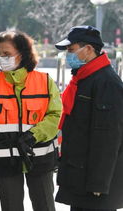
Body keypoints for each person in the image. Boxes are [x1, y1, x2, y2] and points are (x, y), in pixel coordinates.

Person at [0, 30, 62, 211]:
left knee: (44, 205)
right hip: (6, 160)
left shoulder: (45, 81)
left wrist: (33, 135)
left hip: (39, 156)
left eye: (6, 54)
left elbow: (55, 116)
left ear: (22, 54)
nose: (1, 58)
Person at [54, 25, 123, 211]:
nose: (68, 55)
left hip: (95, 184)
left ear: (89, 49)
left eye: (71, 49)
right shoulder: (84, 78)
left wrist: (99, 184)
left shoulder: (107, 82)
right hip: (80, 176)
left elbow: (108, 138)